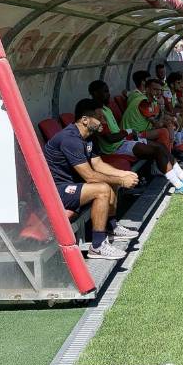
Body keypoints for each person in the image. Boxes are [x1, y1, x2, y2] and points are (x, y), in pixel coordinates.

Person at [43, 99, 139, 260]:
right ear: (85, 120)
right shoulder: (70, 139)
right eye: (99, 118)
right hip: (57, 190)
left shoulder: (88, 137)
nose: (104, 121)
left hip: (74, 185)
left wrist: (122, 175)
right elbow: (90, 176)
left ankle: (111, 226)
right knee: (102, 189)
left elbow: (98, 164)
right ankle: (97, 245)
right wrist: (122, 181)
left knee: (112, 179)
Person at [88, 80, 183, 196]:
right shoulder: (97, 113)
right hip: (115, 147)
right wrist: (128, 131)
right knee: (158, 148)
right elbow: (110, 139)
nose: (108, 94)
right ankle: (178, 185)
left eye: (108, 91)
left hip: (123, 141)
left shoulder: (105, 108)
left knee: (161, 146)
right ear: (95, 93)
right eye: (105, 92)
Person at [121, 72, 183, 154]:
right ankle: (167, 156)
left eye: (160, 90)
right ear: (147, 89)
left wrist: (168, 120)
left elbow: (158, 117)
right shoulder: (144, 101)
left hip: (142, 130)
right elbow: (157, 124)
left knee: (168, 125)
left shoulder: (152, 100)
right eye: (155, 90)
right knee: (164, 132)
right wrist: (165, 116)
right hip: (132, 134)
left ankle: (170, 152)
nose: (158, 93)